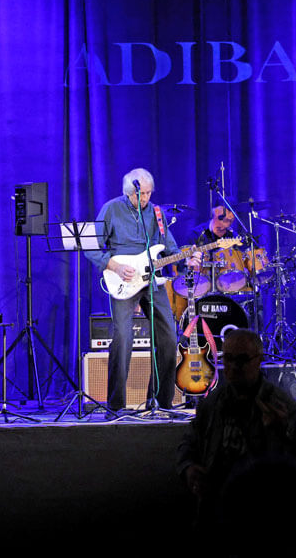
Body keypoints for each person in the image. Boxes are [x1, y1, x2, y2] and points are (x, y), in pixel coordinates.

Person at [176, 329, 296, 530]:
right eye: (229, 359)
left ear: (258, 360)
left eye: (242, 360)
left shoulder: (278, 402)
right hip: (219, 505)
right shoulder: (212, 403)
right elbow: (189, 442)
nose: (234, 366)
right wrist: (188, 468)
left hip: (266, 507)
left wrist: (285, 428)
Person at [86, 168, 199, 414]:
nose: (145, 198)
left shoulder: (157, 213)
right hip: (123, 280)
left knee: (169, 338)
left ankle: (161, 401)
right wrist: (114, 266)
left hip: (152, 281)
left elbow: (170, 249)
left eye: (148, 193)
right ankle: (116, 406)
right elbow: (91, 246)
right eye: (141, 194)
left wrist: (187, 259)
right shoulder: (112, 209)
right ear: (129, 193)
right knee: (123, 338)